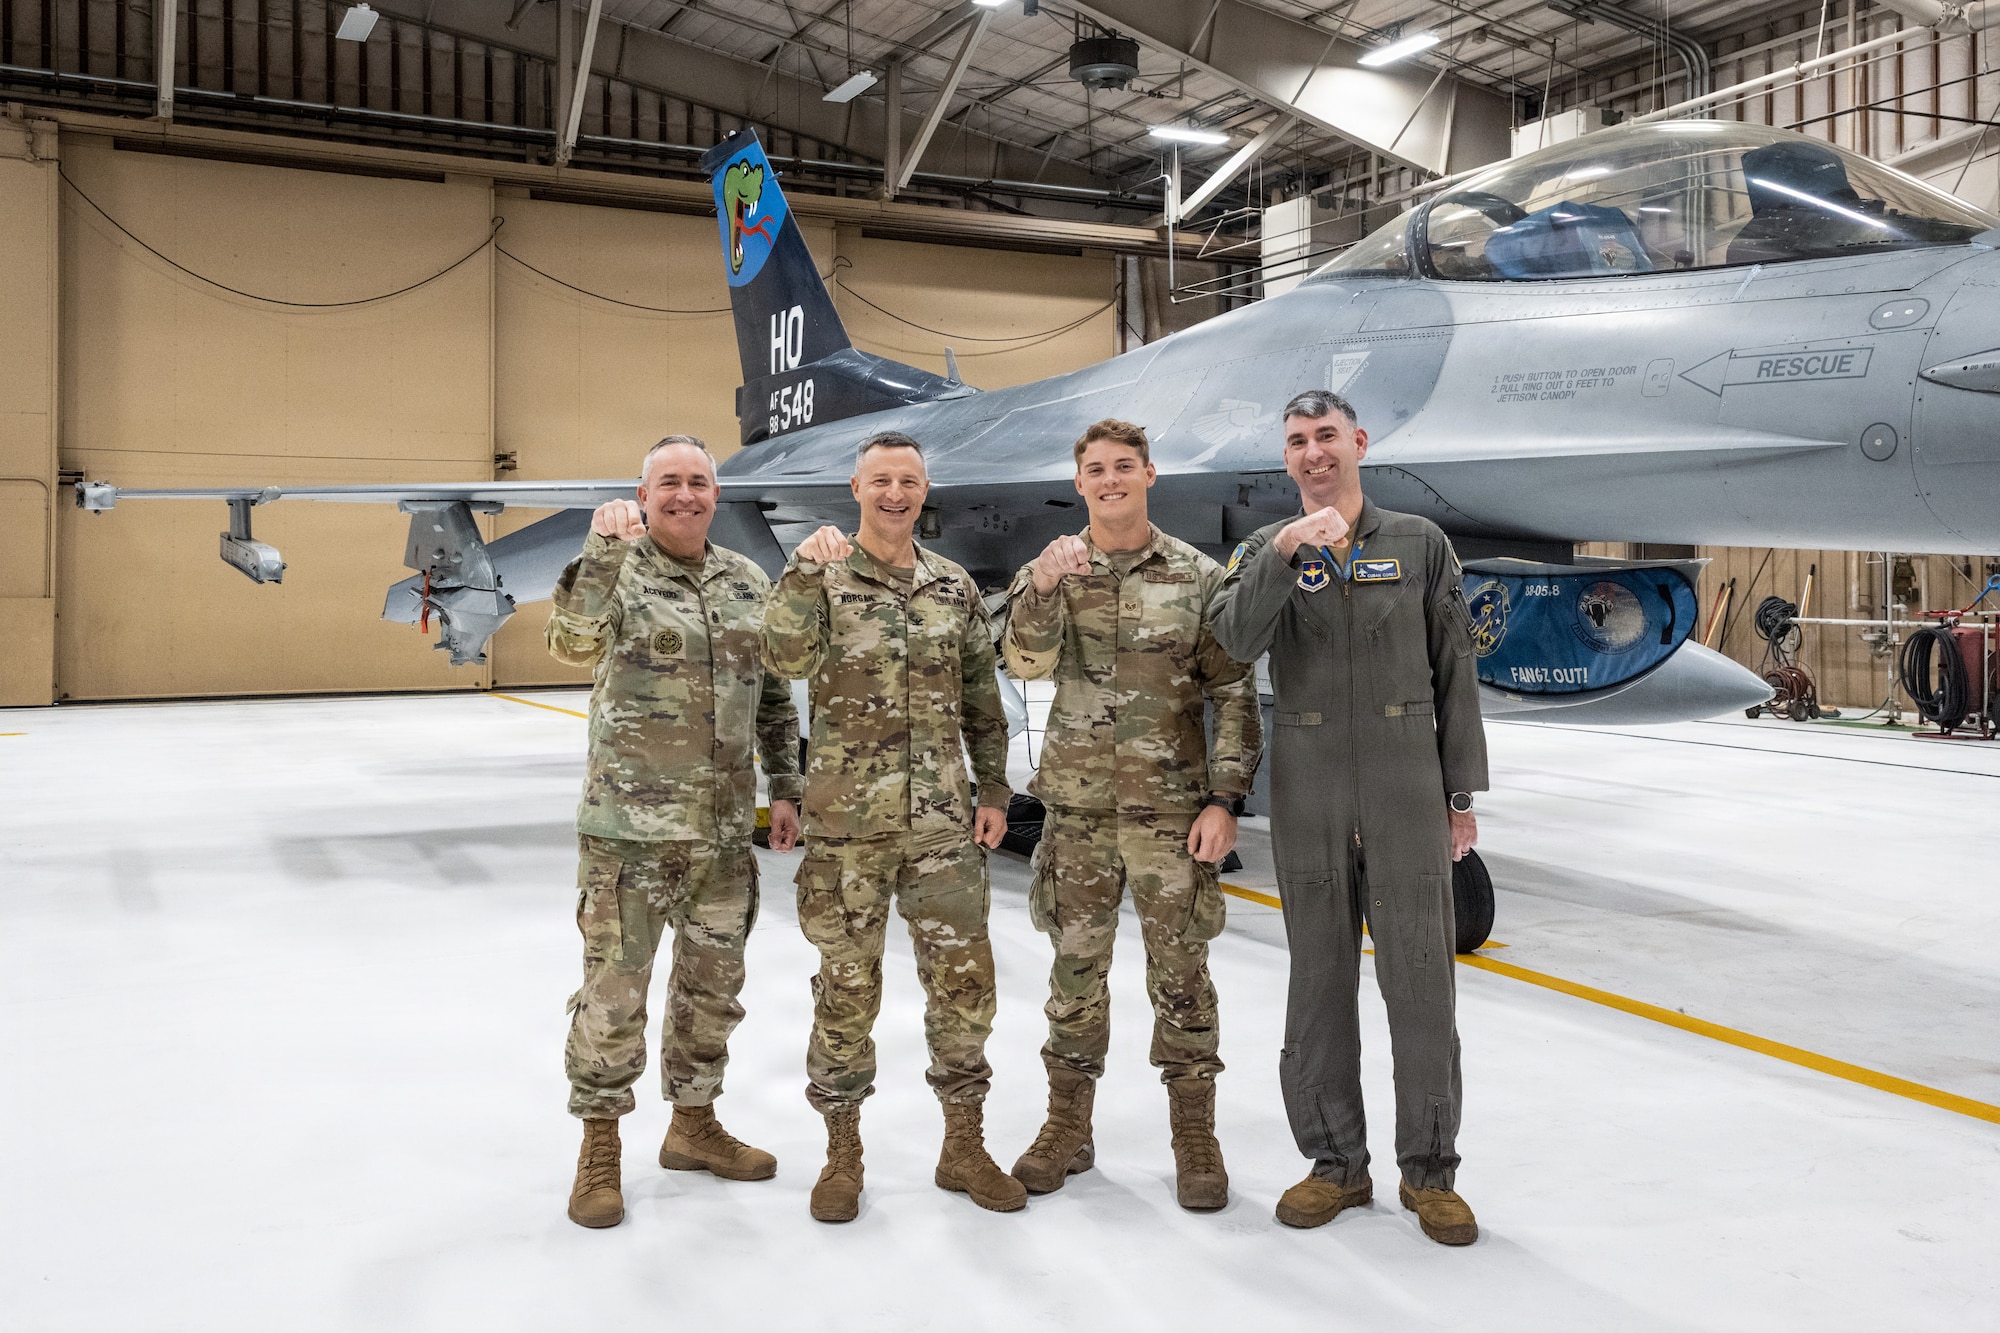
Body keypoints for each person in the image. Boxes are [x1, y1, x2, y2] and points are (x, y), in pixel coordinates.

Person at [1209, 390, 1488, 1246]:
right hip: (1310, 783)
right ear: (1286, 458)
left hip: (1406, 780)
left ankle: (1429, 1171)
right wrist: (1286, 550)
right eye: (1296, 440)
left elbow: (1455, 668)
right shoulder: (1267, 549)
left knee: (1422, 985)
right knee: (1318, 984)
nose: (1313, 453)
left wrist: (1460, 793)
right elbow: (1228, 643)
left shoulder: (1419, 543)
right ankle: (1335, 1164)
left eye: (1326, 436)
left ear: (1359, 442)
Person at [761, 431, 1024, 1224]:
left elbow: (983, 694)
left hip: (944, 824)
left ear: (924, 486)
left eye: (909, 479)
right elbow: (782, 653)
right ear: (856, 487)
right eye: (881, 480)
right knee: (845, 993)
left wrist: (996, 790)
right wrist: (804, 573)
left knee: (965, 990)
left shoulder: (952, 588)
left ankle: (964, 1145)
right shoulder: (821, 576)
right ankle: (842, 1153)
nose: (896, 492)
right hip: (847, 827)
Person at [1001, 418, 1261, 1210]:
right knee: (1073, 979)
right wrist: (1043, 588)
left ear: (1150, 474)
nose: (1110, 479)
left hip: (1169, 817)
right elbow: (1023, 659)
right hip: (1076, 816)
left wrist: (1226, 796)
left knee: (1183, 980)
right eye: (1095, 470)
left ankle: (1194, 1136)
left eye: (1124, 466)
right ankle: (1067, 1129)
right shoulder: (1052, 571)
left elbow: (1233, 689)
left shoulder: (1196, 575)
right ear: (1078, 483)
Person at [545, 435, 803, 1230]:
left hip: (723, 839)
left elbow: (771, 695)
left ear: (716, 494)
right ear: (643, 493)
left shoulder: (745, 580)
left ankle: (692, 1127)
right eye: (669, 483)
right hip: (628, 837)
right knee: (613, 997)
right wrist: (599, 548)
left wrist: (785, 784)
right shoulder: (616, 568)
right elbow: (570, 642)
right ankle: (599, 1148)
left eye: (698, 482)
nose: (684, 495)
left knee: (710, 994)